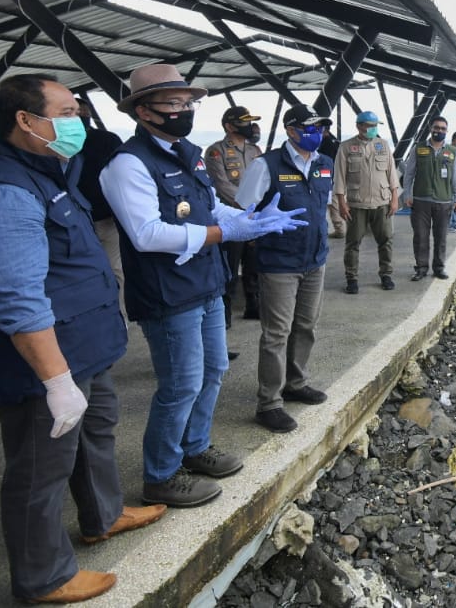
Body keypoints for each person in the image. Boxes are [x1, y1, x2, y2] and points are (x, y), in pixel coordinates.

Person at [0, 74, 165, 603]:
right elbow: (17, 298)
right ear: (26, 120)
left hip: (83, 345)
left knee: (95, 435)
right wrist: (56, 380)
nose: (79, 122)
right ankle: (43, 576)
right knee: (38, 471)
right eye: (67, 112)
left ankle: (104, 516)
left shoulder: (48, 170)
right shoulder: (1, 188)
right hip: (44, 362)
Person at [101, 64, 306, 508]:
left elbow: (212, 208)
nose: (184, 111)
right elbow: (146, 234)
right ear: (144, 111)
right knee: (180, 383)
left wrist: (249, 221)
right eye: (173, 104)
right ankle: (161, 473)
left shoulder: (188, 152)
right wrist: (220, 235)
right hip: (167, 291)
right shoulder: (128, 164)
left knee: (213, 370)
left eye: (187, 103)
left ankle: (194, 447)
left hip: (207, 282)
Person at [235, 106, 334, 433]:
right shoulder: (266, 165)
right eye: (309, 127)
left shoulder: (324, 164)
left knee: (305, 326)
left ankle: (295, 382)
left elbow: (324, 206)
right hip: (279, 262)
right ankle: (269, 403)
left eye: (320, 127)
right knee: (276, 333)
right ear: (291, 130)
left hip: (314, 260)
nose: (316, 132)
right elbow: (243, 211)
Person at [205, 106, 263, 329]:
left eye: (250, 122)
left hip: (253, 215)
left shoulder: (254, 150)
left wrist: (259, 206)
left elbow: (261, 179)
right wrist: (246, 207)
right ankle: (224, 317)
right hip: (230, 217)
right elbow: (222, 185)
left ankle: (253, 305)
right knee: (228, 268)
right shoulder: (216, 151)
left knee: (253, 264)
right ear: (229, 126)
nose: (249, 126)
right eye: (243, 122)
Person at [335, 110, 400, 293]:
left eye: (375, 126)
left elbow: (392, 173)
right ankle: (352, 278)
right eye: (369, 126)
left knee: (386, 240)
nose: (373, 129)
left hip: (382, 202)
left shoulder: (383, 145)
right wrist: (341, 202)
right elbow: (339, 176)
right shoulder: (346, 147)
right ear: (359, 126)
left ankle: (386, 275)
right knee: (353, 243)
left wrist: (395, 199)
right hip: (357, 204)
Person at [400, 116, 456, 281]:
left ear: (446, 131)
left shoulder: (453, 152)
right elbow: (409, 174)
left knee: (441, 237)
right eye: (437, 127)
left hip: (444, 202)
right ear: (431, 128)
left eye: (443, 128)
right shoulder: (418, 148)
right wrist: (407, 195)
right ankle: (421, 268)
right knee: (421, 237)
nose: (439, 131)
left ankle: (439, 268)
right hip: (421, 201)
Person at [74, 98, 124, 294]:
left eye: (84, 113)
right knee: (84, 272)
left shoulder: (107, 140)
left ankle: (122, 318)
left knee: (116, 269)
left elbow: (121, 177)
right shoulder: (55, 145)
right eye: (74, 114)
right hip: (76, 222)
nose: (81, 117)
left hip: (108, 219)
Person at [316, 121, 346, 238]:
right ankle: (340, 229)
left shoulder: (325, 145)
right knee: (335, 204)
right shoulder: (335, 143)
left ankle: (339, 230)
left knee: (332, 205)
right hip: (336, 177)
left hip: (327, 178)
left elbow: (325, 164)